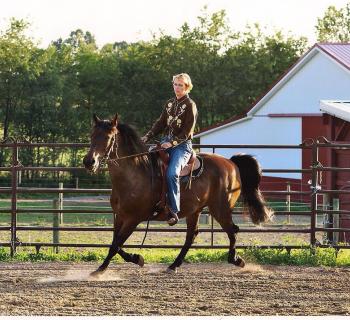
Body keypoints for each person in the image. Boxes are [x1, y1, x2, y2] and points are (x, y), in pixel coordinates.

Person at [141, 73, 198, 226]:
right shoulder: (169, 104)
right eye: (175, 84)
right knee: (146, 164)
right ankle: (150, 202)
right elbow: (160, 123)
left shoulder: (190, 105)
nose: (177, 87)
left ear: (187, 87)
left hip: (182, 147)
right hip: (165, 142)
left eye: (180, 85)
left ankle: (174, 210)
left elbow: (187, 132)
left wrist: (172, 143)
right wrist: (146, 137)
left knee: (172, 173)